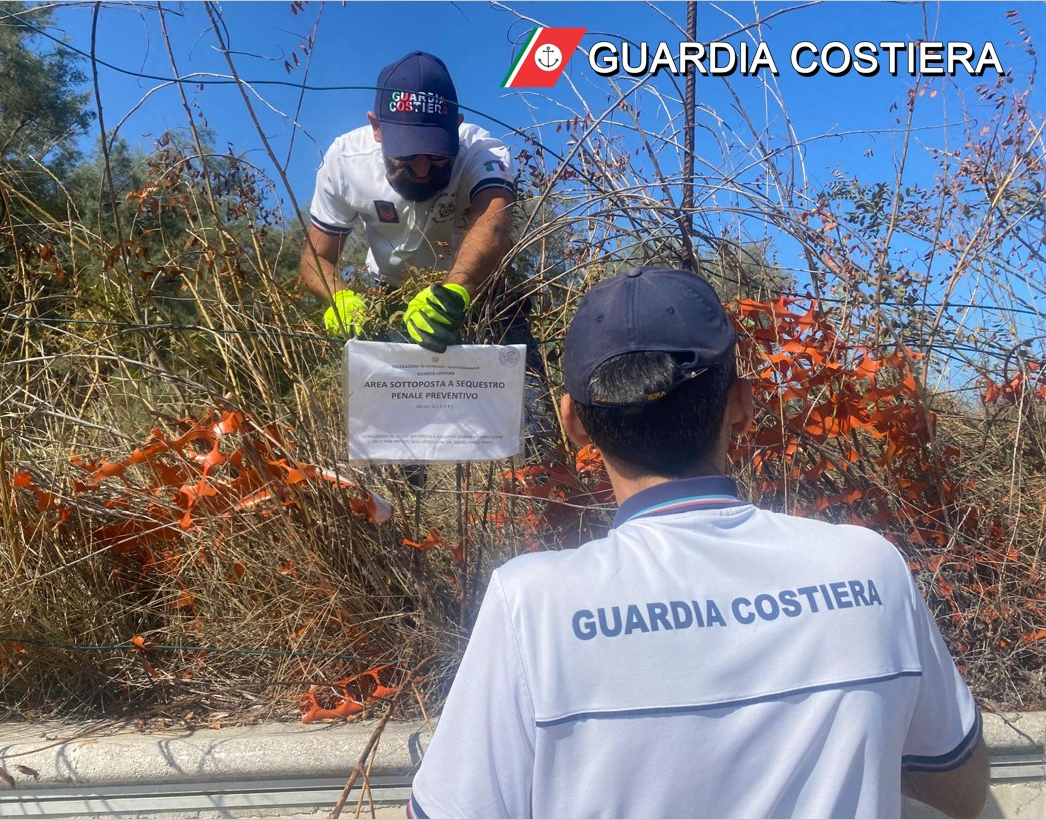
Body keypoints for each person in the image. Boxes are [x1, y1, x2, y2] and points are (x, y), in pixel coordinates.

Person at [407, 266, 990, 819]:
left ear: (574, 424)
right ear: (741, 404)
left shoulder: (530, 603)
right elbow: (962, 792)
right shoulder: (870, 568)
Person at [300, 50, 516, 354]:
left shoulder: (485, 152)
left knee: (518, 392)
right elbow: (316, 258)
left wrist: (454, 292)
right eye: (406, 155)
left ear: (457, 126)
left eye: (437, 155)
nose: (422, 169)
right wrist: (339, 299)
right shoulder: (343, 160)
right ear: (377, 128)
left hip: (477, 288)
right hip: (389, 296)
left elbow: (492, 225)